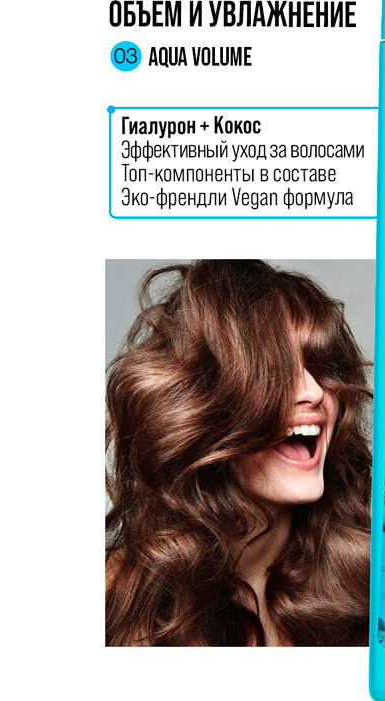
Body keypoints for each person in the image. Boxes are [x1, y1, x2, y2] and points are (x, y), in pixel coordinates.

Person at [106, 260, 371, 646]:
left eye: (319, 367)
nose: (313, 392)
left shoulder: (380, 585)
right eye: (273, 373)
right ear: (203, 404)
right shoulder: (112, 600)